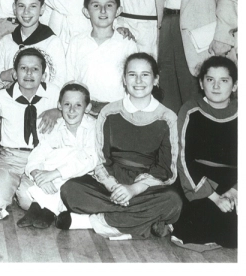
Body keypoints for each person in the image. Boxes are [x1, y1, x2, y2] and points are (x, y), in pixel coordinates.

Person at [59, 53, 183, 240]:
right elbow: (100, 159)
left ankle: (94, 222)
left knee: (173, 202)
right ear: (124, 79)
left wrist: (133, 189)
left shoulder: (168, 118)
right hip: (110, 184)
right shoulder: (109, 113)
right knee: (70, 190)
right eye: (132, 74)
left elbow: (167, 170)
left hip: (146, 187)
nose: (138, 81)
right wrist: (115, 187)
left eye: (145, 75)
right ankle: (143, 223)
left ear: (156, 79)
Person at [172, 56, 237, 250]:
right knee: (197, 227)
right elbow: (183, 158)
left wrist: (234, 191)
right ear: (201, 83)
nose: (216, 86)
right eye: (210, 79)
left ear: (235, 85)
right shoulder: (190, 110)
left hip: (235, 181)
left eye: (223, 80)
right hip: (201, 182)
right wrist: (215, 198)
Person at [0, 47, 60, 218]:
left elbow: (73, 110)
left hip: (41, 159)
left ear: (43, 75)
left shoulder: (54, 92)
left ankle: (19, 191)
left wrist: (57, 112)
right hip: (11, 159)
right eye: (23, 68)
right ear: (15, 73)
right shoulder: (1, 96)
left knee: (30, 202)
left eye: (35, 69)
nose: (29, 73)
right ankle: (8, 187)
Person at [16, 82, 97, 229]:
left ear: (88, 108)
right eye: (67, 104)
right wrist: (38, 176)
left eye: (78, 105)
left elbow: (90, 160)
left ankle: (42, 210)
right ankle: (49, 208)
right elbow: (37, 155)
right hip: (50, 177)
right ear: (59, 105)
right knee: (23, 195)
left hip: (81, 178)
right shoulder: (55, 127)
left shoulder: (93, 128)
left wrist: (54, 174)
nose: (71, 110)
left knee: (74, 154)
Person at [66, 0, 138, 115]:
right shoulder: (76, 42)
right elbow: (69, 79)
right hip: (83, 110)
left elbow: (134, 82)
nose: (103, 10)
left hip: (117, 110)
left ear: (118, 11)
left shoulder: (127, 43)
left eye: (109, 5)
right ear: (86, 12)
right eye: (96, 6)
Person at [0, 0, 66, 90]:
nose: (26, 12)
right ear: (14, 8)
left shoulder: (52, 42)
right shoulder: (6, 41)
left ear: (42, 8)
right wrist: (9, 75)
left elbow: (59, 82)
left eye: (33, 6)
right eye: (21, 6)